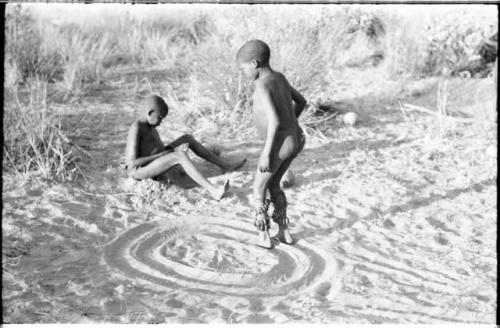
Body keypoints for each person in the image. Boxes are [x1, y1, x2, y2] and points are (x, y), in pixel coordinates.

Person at [236, 39, 306, 248]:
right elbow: (301, 101)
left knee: (258, 188)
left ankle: (264, 236)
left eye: (243, 68)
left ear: (254, 63)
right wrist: (292, 124)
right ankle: (284, 233)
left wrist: (267, 153)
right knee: (274, 184)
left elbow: (274, 121)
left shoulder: (262, 84)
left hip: (280, 145)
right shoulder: (280, 78)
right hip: (297, 139)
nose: (243, 73)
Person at [125, 95, 246, 200]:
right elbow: (132, 164)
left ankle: (226, 166)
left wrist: (168, 151)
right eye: (160, 118)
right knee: (180, 155)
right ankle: (213, 190)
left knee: (187, 138)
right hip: (140, 171)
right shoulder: (136, 127)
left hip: (158, 159)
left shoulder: (150, 126)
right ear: (150, 113)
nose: (161, 122)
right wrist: (163, 155)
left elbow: (154, 148)